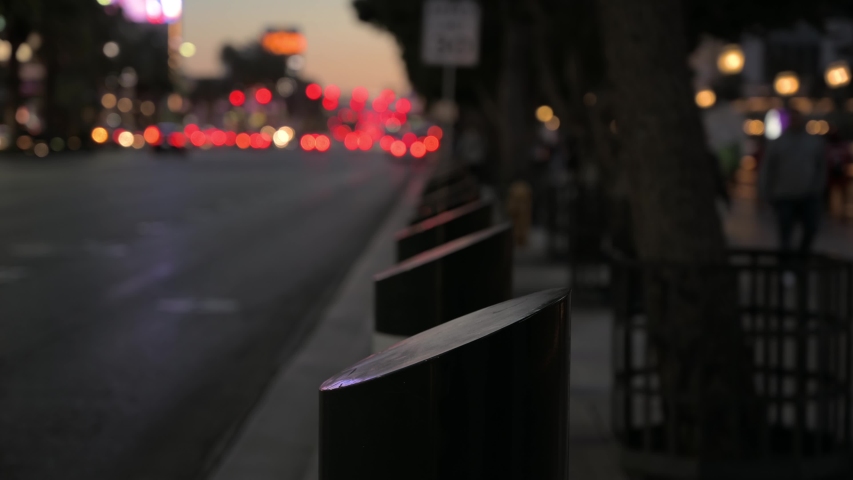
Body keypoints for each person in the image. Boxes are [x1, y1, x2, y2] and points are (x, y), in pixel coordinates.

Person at [758, 111, 827, 254]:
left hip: (808, 195)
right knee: (785, 234)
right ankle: (786, 266)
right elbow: (767, 169)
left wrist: (818, 188)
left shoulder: (814, 142)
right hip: (784, 195)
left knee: (811, 228)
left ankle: (801, 259)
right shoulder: (778, 143)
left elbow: (821, 166)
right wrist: (766, 192)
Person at [825, 129, 852, 217]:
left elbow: (849, 159)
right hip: (832, 174)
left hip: (842, 174)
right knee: (832, 193)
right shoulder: (828, 147)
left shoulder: (843, 146)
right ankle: (832, 211)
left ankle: (843, 211)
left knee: (843, 192)